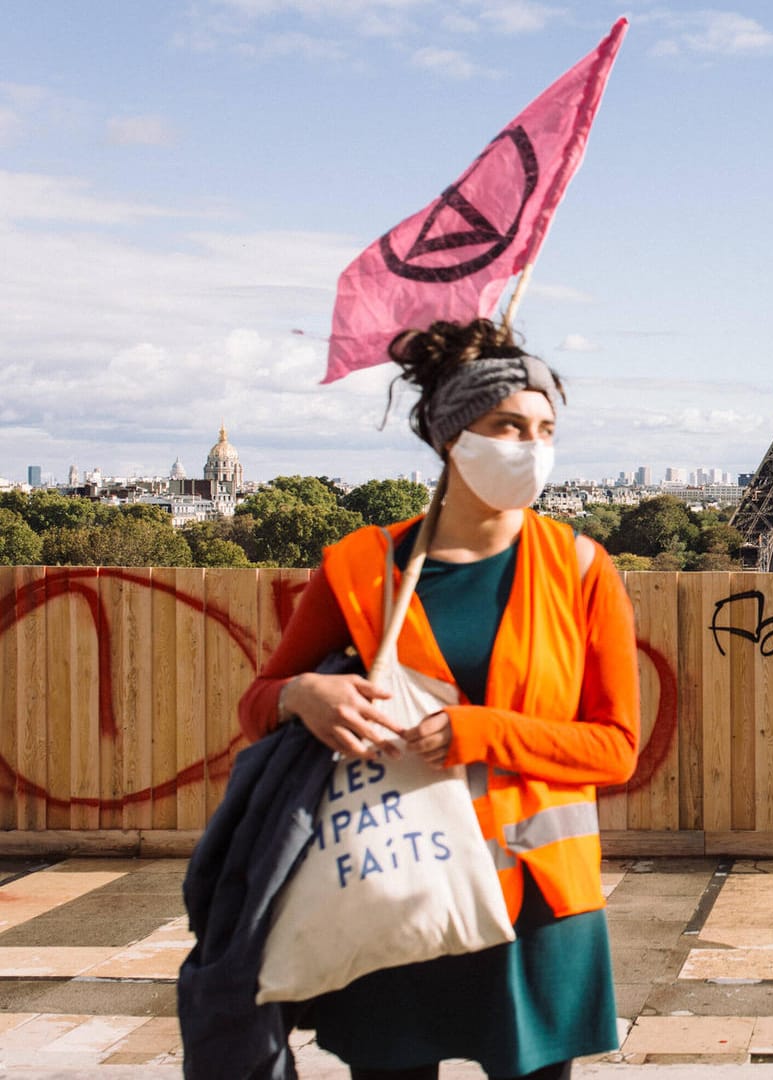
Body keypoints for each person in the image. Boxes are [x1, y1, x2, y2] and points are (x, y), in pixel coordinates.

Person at [237, 318, 641, 1080]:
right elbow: (257, 706)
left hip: (534, 900)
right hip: (393, 881)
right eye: (508, 425)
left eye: (546, 428)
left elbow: (616, 747)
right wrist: (303, 694)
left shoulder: (584, 570)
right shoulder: (361, 568)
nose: (532, 446)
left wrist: (480, 731)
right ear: (452, 436)